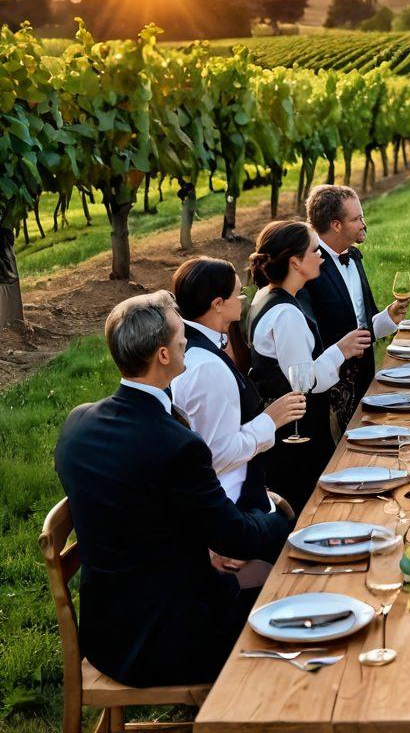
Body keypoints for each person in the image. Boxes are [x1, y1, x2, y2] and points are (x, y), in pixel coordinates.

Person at [53, 292, 292, 688]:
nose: (187, 344)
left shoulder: (78, 423)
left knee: (254, 572)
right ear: (163, 355)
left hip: (106, 636)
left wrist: (202, 544)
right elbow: (236, 536)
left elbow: (131, 507)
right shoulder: (176, 444)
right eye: (182, 338)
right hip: (169, 641)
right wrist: (281, 517)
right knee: (283, 588)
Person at [247, 220, 372, 513]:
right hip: (296, 439)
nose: (321, 256)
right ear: (295, 262)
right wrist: (340, 350)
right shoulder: (286, 314)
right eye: (315, 251)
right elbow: (302, 382)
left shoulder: (266, 295)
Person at [169, 256, 306, 511]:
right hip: (232, 504)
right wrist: (271, 420)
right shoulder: (206, 367)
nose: (242, 298)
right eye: (237, 293)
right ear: (218, 304)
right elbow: (216, 455)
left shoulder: (199, 344)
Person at [300, 185, 409, 437]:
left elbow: (360, 323)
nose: (363, 223)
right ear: (336, 225)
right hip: (330, 392)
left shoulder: (352, 256)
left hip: (365, 377)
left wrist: (388, 318)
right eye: (357, 218)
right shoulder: (309, 268)